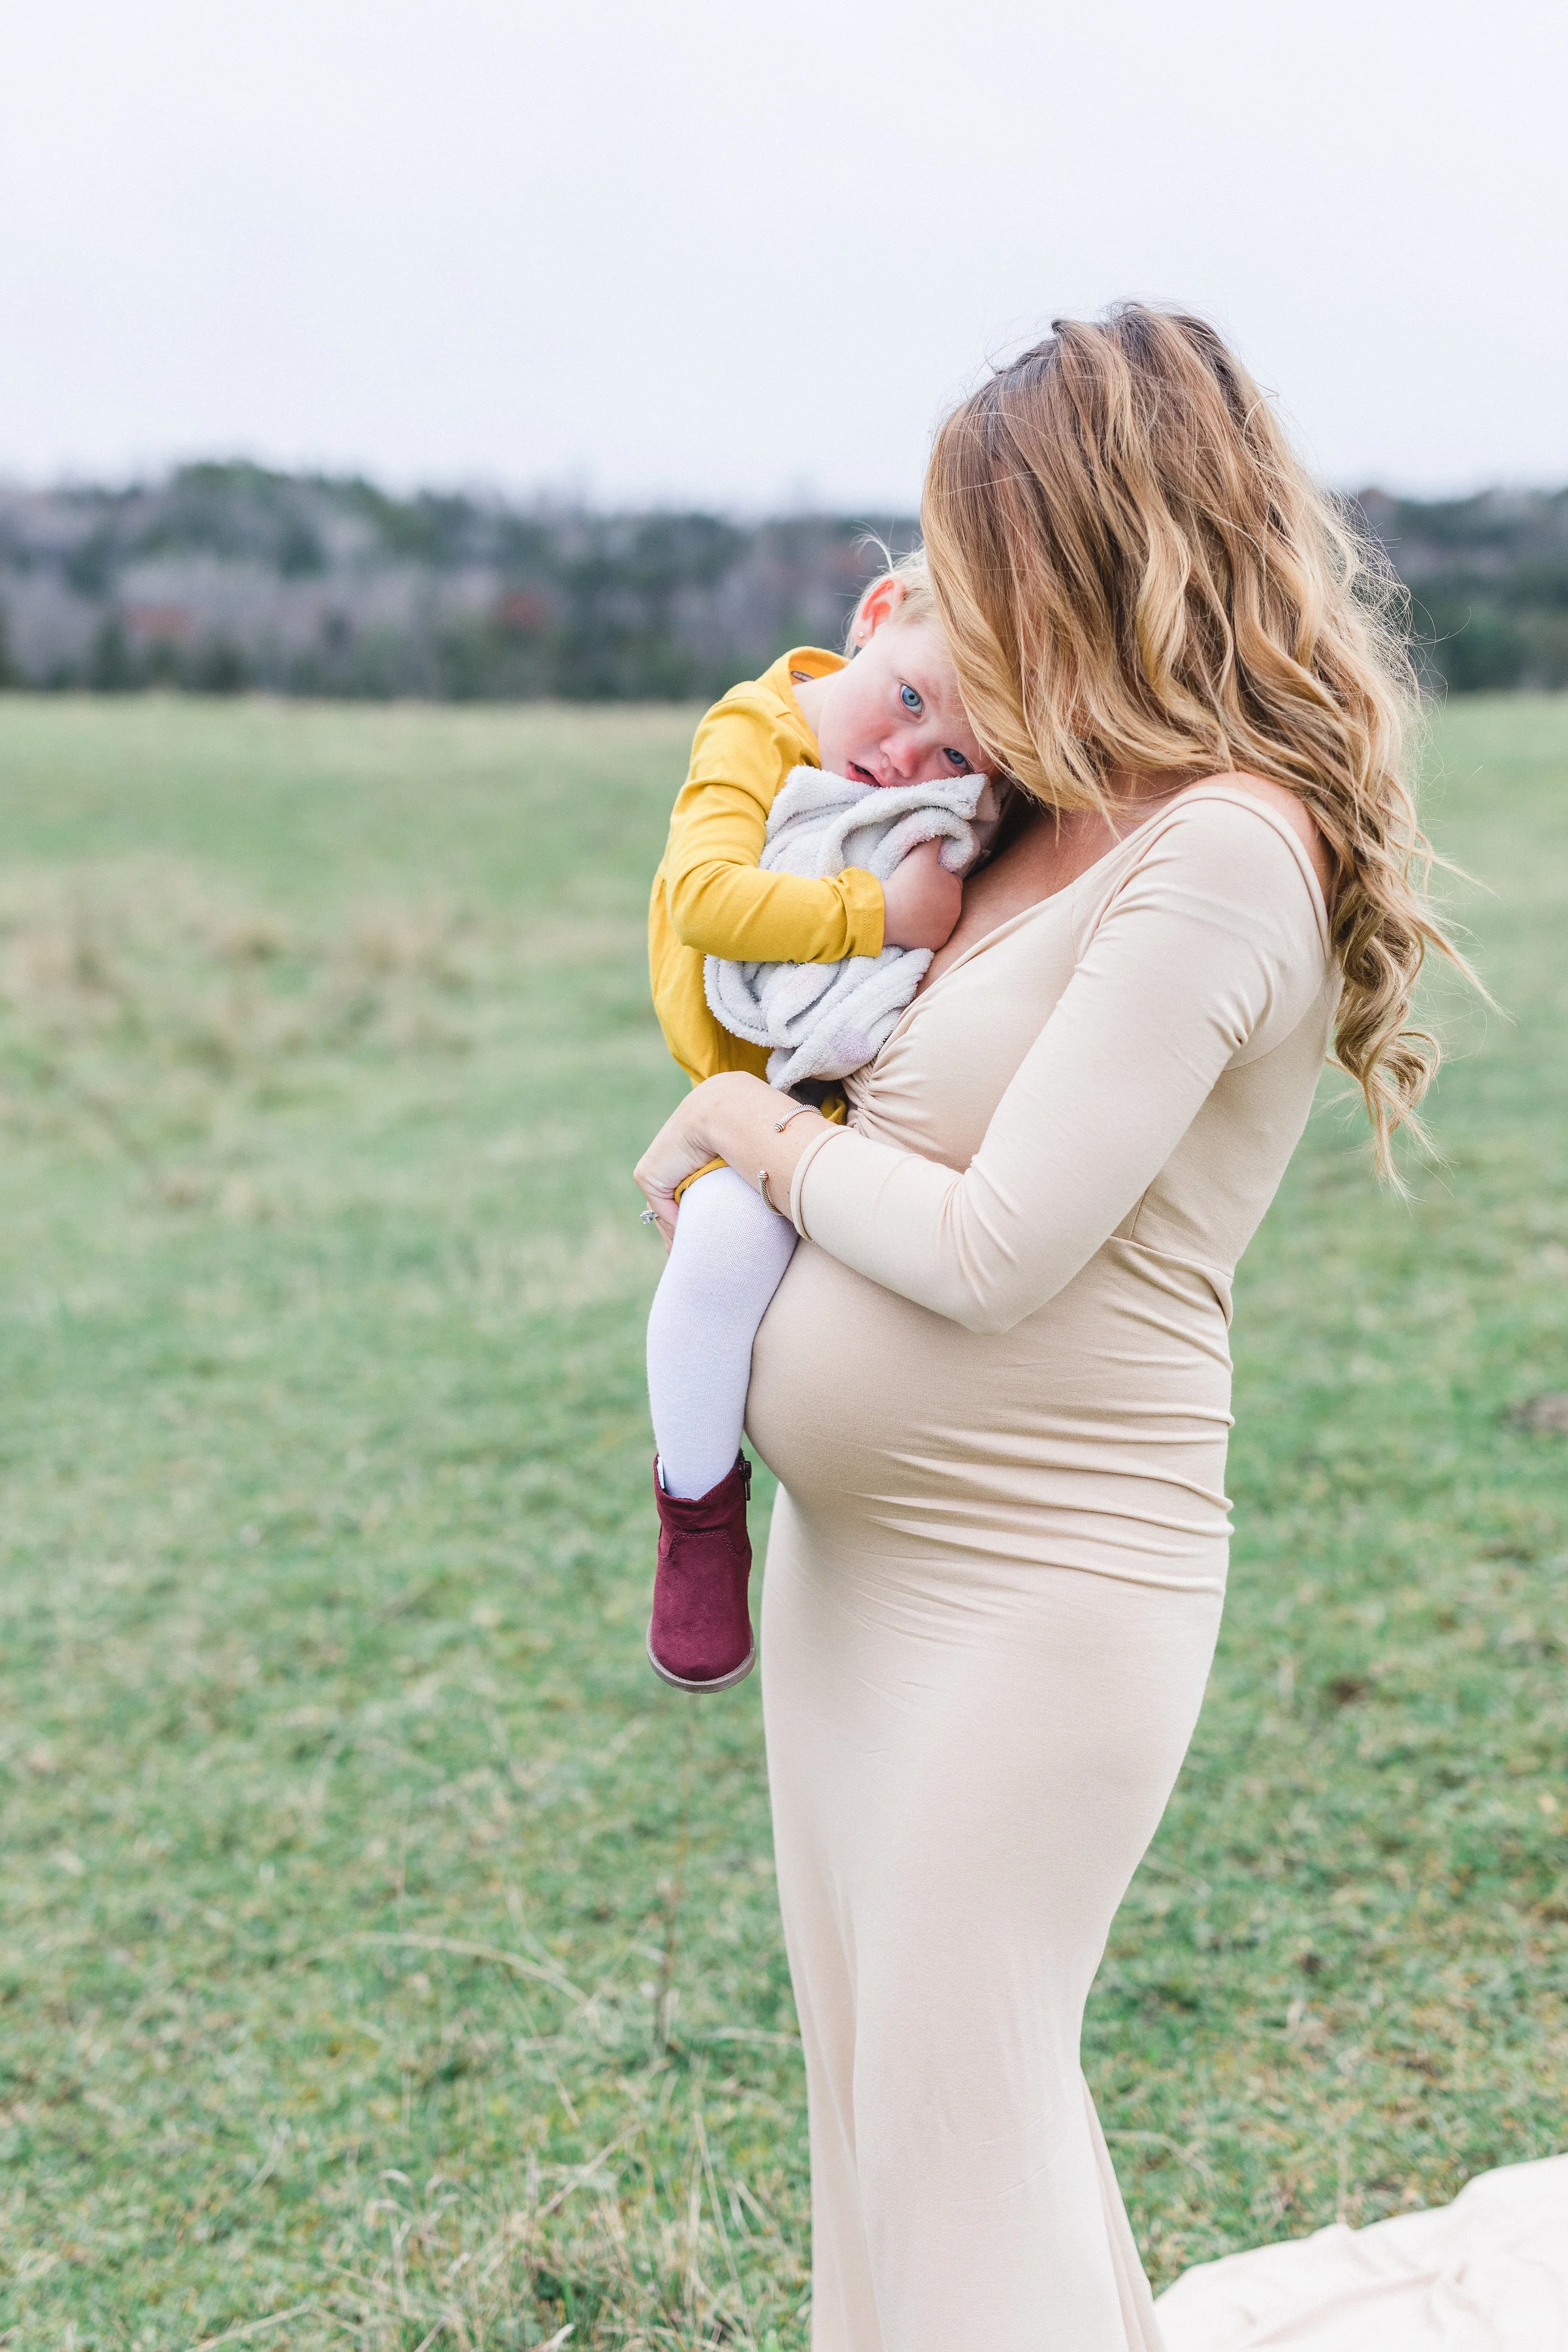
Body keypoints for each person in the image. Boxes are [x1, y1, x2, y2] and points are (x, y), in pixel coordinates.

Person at [634, 305, 1471, 2348]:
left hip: (1045, 1584)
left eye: (978, 562)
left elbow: (1005, 1248)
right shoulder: (1019, 803)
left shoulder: (1226, 855)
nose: (939, 613)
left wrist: (747, 1130)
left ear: (1093, 557)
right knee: (902, 2119)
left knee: (961, 2110)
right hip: (858, 1575)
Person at [643, 557, 988, 1691]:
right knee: (721, 1257)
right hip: (758, 1094)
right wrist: (876, 909)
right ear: (875, 618)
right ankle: (696, 1510)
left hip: (857, 1079)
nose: (904, 760)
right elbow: (705, 899)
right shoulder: (756, 728)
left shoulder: (937, 793)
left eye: (952, 756)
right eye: (907, 700)